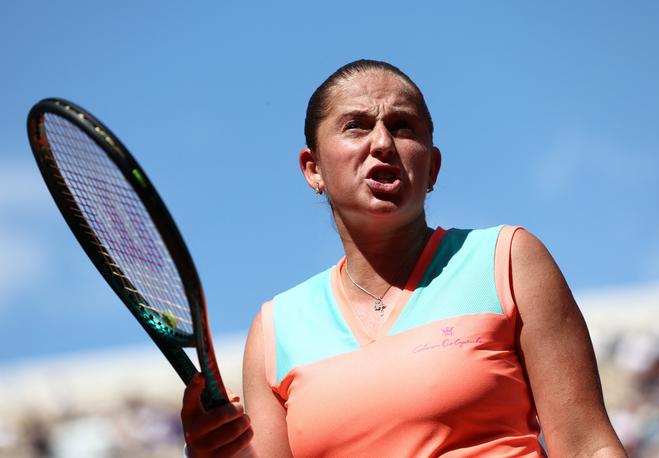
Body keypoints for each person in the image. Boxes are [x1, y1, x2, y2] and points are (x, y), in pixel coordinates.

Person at [181, 59, 626, 457]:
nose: (382, 143)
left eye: (402, 126)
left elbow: (589, 446)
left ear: (431, 168)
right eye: (356, 125)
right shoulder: (274, 329)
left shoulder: (508, 258)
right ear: (312, 168)